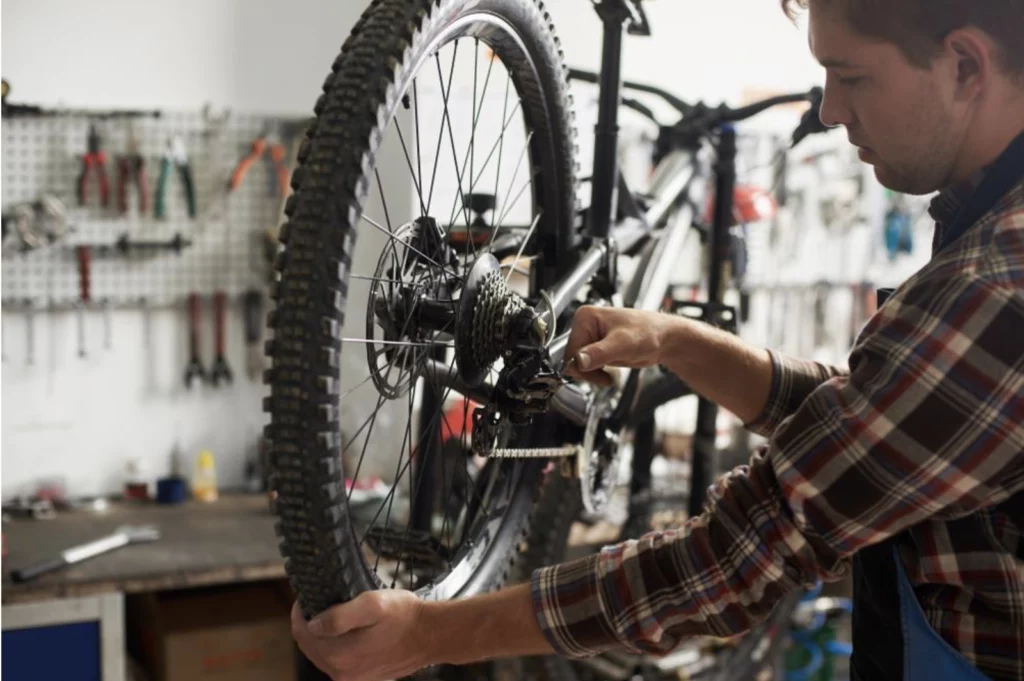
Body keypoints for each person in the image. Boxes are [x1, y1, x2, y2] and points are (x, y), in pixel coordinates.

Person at [290, 1, 1024, 679]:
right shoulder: (989, 237)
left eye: (851, 75)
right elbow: (875, 426)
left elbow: (739, 555)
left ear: (965, 65)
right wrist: (680, 341)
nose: (831, 109)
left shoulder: (995, 289)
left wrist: (429, 633)